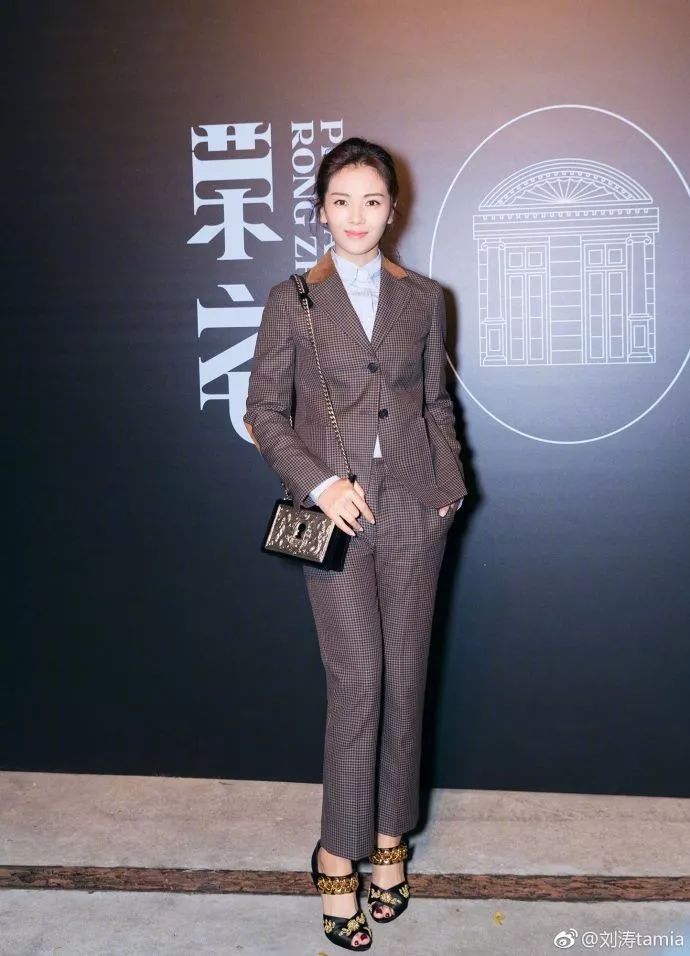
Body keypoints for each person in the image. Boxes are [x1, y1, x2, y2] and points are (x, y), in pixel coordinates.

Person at [243, 137, 468, 951]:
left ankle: (389, 839)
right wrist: (320, 485)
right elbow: (263, 413)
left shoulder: (425, 299)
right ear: (321, 210)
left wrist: (448, 486)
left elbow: (435, 403)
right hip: (332, 515)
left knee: (406, 679)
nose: (358, 215)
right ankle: (338, 851)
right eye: (342, 201)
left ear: (392, 209)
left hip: (413, 510)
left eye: (372, 200)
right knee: (359, 679)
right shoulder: (294, 299)